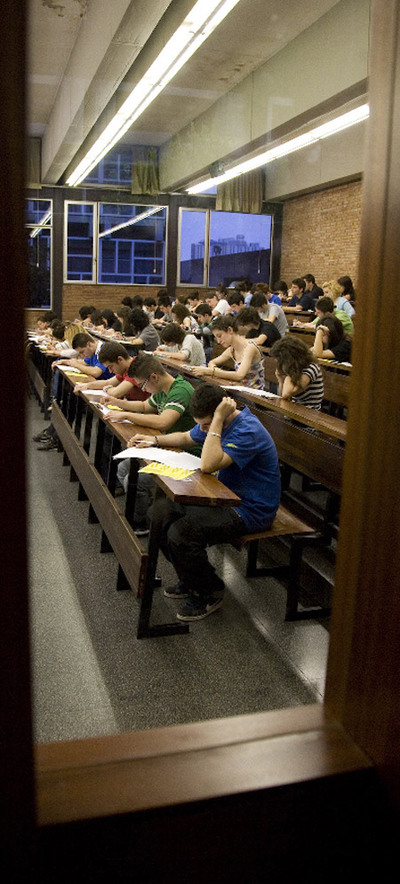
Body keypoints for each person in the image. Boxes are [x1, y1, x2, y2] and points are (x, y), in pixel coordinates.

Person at [129, 383, 281, 621]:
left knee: (182, 533)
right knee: (158, 514)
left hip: (250, 509)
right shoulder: (211, 424)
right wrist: (155, 440)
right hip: (221, 496)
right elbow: (187, 437)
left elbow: (208, 465)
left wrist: (217, 421)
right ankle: (190, 579)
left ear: (223, 412)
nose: (203, 429)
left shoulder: (247, 429)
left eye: (207, 424)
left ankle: (209, 591)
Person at [104, 354, 201, 526]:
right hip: (169, 446)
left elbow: (163, 421)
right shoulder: (162, 389)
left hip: (187, 453)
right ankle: (145, 509)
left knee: (134, 480)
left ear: (154, 377)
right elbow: (144, 406)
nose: (144, 390)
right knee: (122, 468)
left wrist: (126, 415)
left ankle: (141, 523)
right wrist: (116, 402)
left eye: (143, 385)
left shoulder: (180, 390)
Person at [191, 314, 265, 389]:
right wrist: (214, 370)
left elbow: (239, 375)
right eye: (216, 337)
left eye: (219, 336)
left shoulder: (250, 348)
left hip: (254, 393)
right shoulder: (231, 350)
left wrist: (211, 371)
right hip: (240, 390)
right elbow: (212, 362)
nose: (218, 341)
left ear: (230, 330)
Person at [72, 342, 149, 402]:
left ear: (120, 360)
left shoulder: (135, 368)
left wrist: (107, 388)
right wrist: (87, 385)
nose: (110, 371)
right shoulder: (124, 369)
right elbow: (108, 382)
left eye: (110, 366)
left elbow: (116, 393)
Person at [270, 336, 324, 409]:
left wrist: (287, 372)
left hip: (308, 412)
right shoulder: (295, 369)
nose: (280, 365)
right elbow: (282, 396)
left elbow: (286, 394)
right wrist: (281, 380)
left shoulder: (310, 368)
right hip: (294, 409)